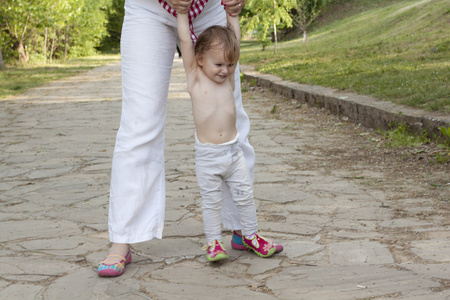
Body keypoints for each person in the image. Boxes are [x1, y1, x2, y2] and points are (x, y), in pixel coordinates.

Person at [97, 0, 280, 277]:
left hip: (209, 7)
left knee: (232, 112)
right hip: (149, 8)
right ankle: (123, 237)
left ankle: (243, 228)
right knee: (140, 121)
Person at [176, 2, 282, 262]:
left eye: (229, 65)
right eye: (218, 64)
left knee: (245, 197)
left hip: (234, 153)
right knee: (211, 203)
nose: (224, 70)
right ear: (200, 60)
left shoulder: (230, 77)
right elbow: (185, 42)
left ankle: (251, 235)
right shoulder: (195, 77)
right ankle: (213, 243)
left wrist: (232, 15)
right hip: (208, 156)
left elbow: (233, 39)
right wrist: (181, 13)